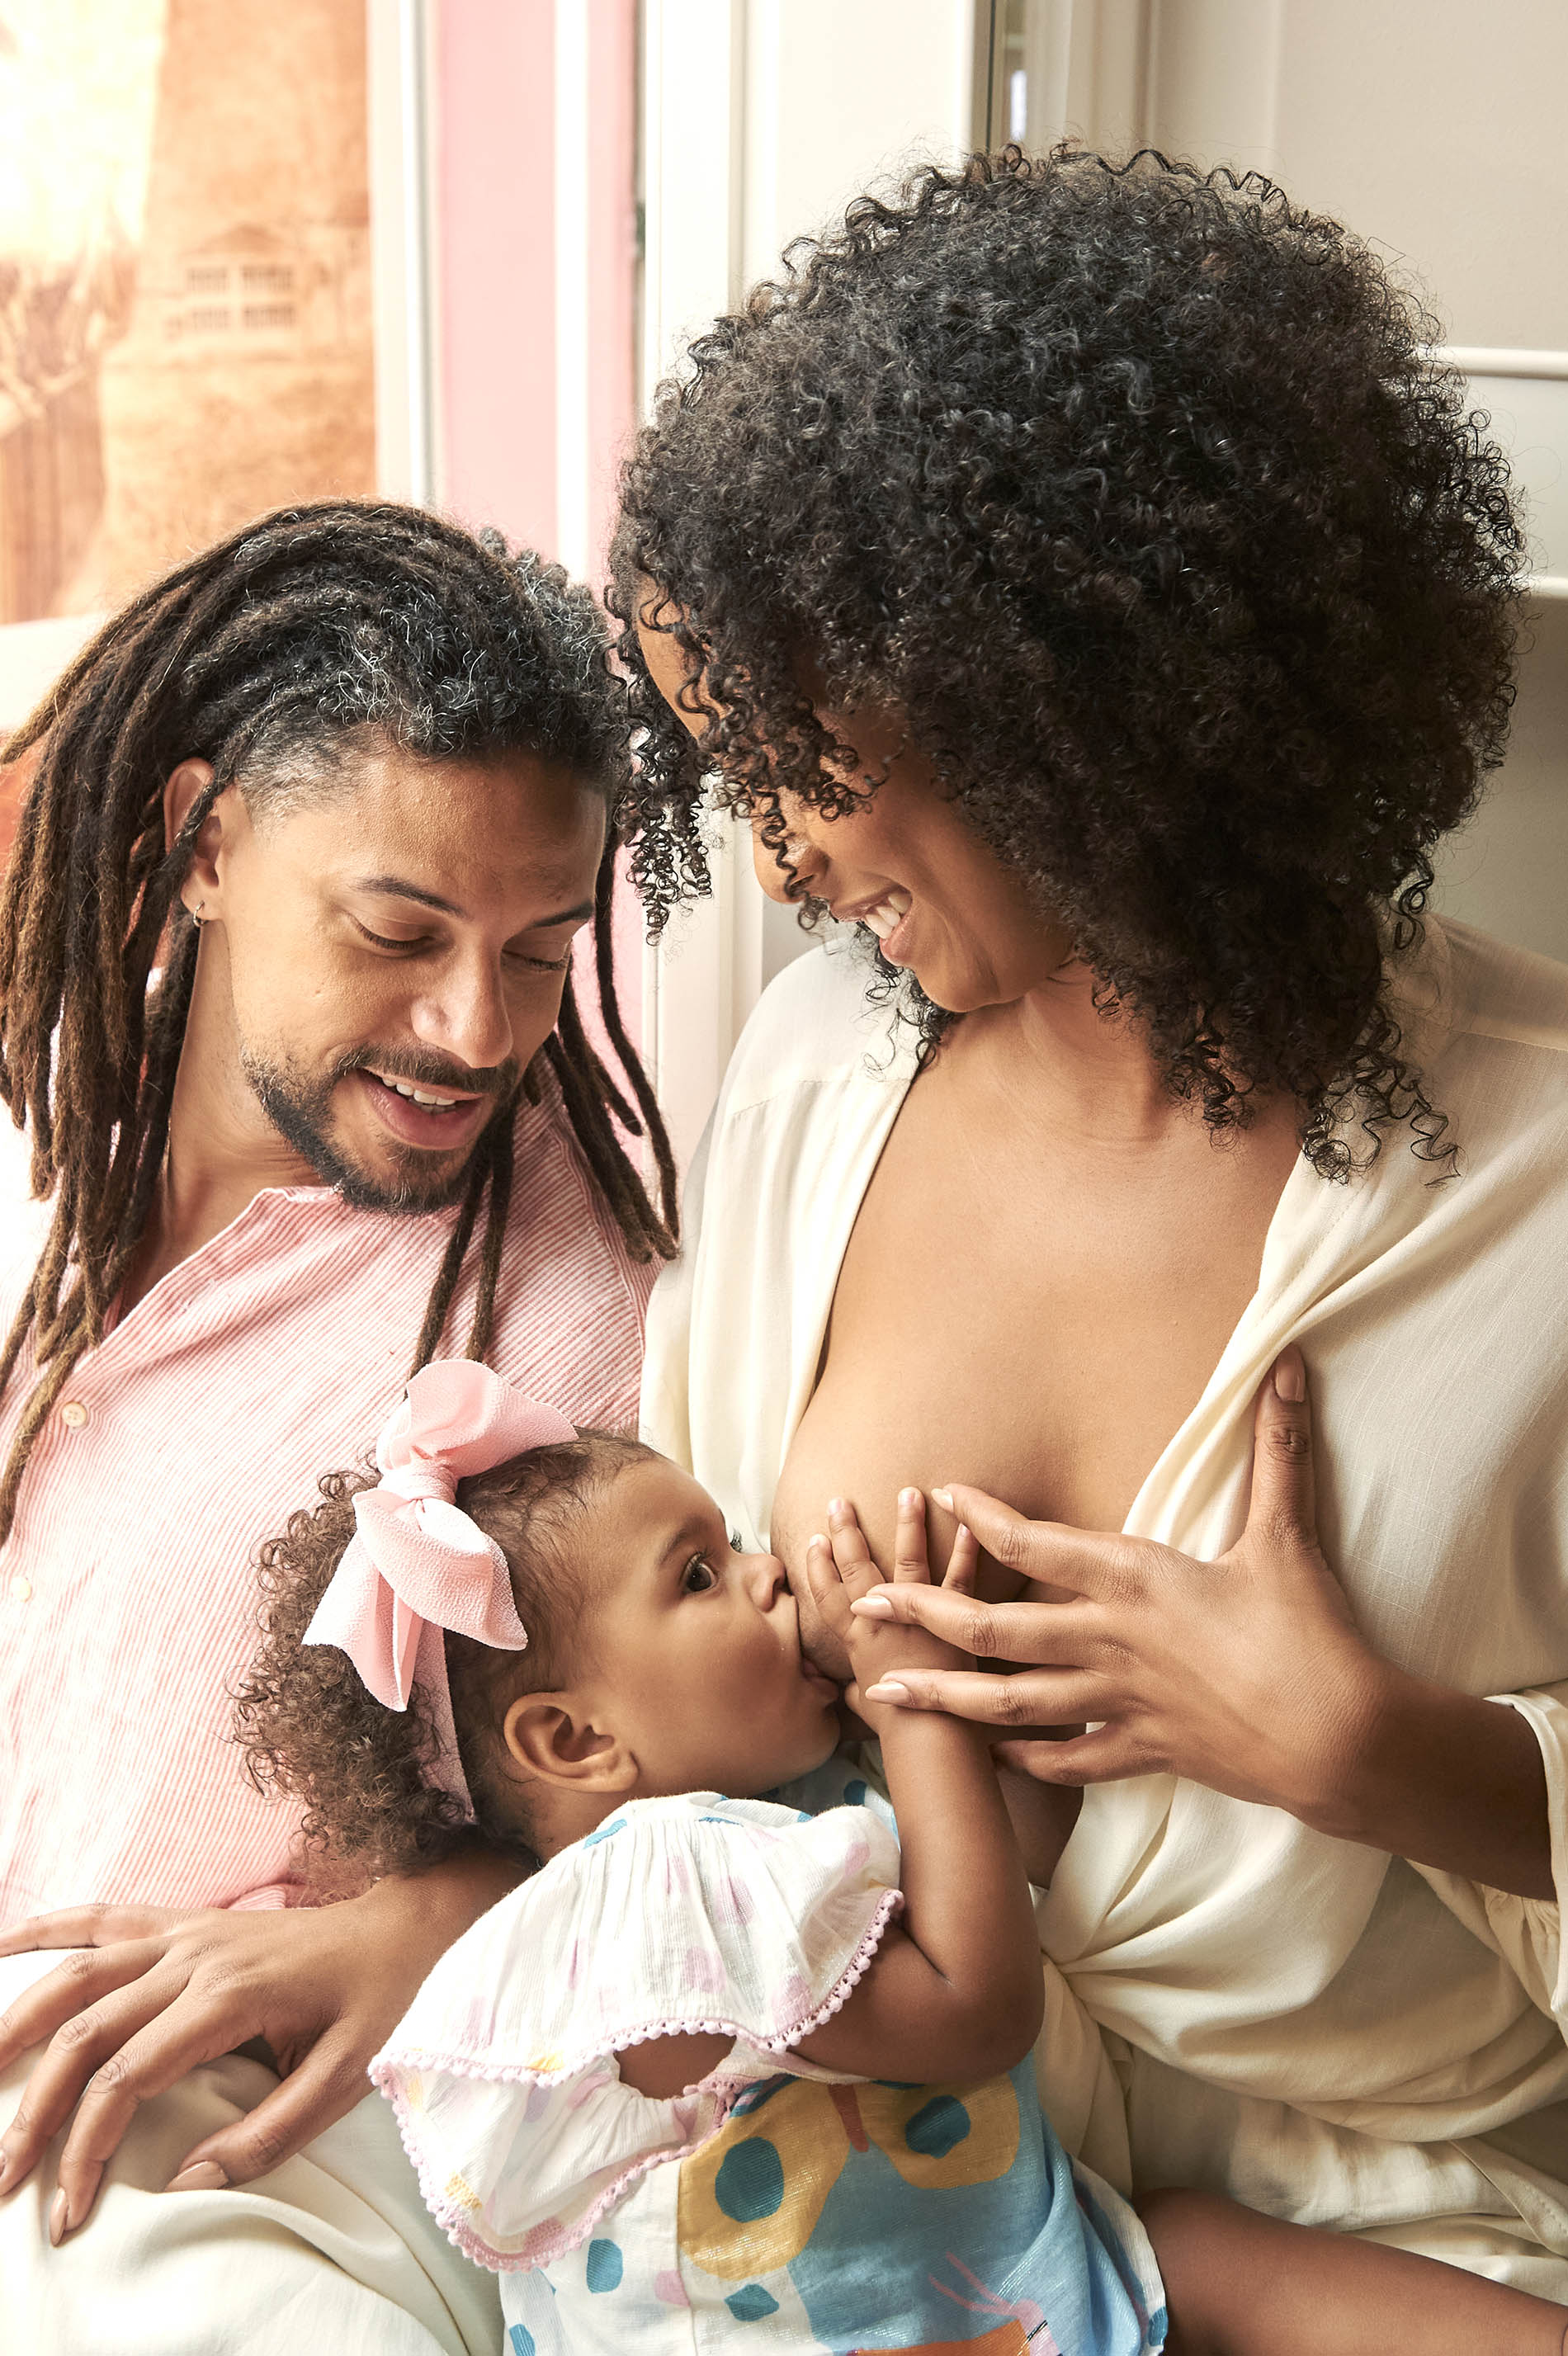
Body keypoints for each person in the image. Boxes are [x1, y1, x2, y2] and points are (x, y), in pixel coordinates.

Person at [613, 150, 1568, 2296]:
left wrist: (1384, 1757)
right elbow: (638, 1719)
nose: (768, 858)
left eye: (805, 759)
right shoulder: (812, 1083)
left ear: (1060, 690)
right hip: (879, 2223)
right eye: (723, 768)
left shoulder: (1538, 1194)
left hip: (1403, 2263)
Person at [234, 1355, 1568, 2354]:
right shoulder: (661, 1891)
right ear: (577, 1742)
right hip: (911, 2325)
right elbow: (978, 2005)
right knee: (1205, 2255)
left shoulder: (729, 1847)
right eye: (698, 1576)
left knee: (1192, 2251)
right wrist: (912, 1698)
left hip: (964, 2287)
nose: (766, 1575)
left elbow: (998, 1881)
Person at [0, 501, 675, 2353]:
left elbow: (715, 1772)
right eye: (398, 930)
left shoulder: (571, 1320)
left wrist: (439, 1906)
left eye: (542, 948)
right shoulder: (41, 1120)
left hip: (221, 2172)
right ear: (201, 841)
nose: (475, 1026)